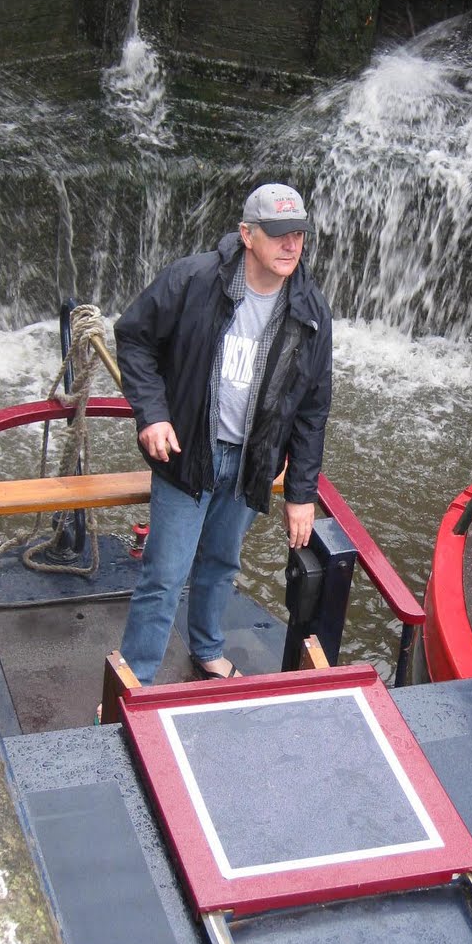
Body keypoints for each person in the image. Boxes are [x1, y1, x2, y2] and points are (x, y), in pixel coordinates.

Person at [115, 182, 332, 683]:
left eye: (298, 233)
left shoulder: (310, 312)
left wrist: (300, 494)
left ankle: (207, 648)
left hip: (251, 461)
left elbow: (313, 410)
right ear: (247, 235)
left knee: (220, 563)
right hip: (189, 451)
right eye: (278, 234)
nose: (291, 245)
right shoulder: (193, 280)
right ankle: (137, 681)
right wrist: (152, 414)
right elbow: (135, 340)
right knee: (165, 576)